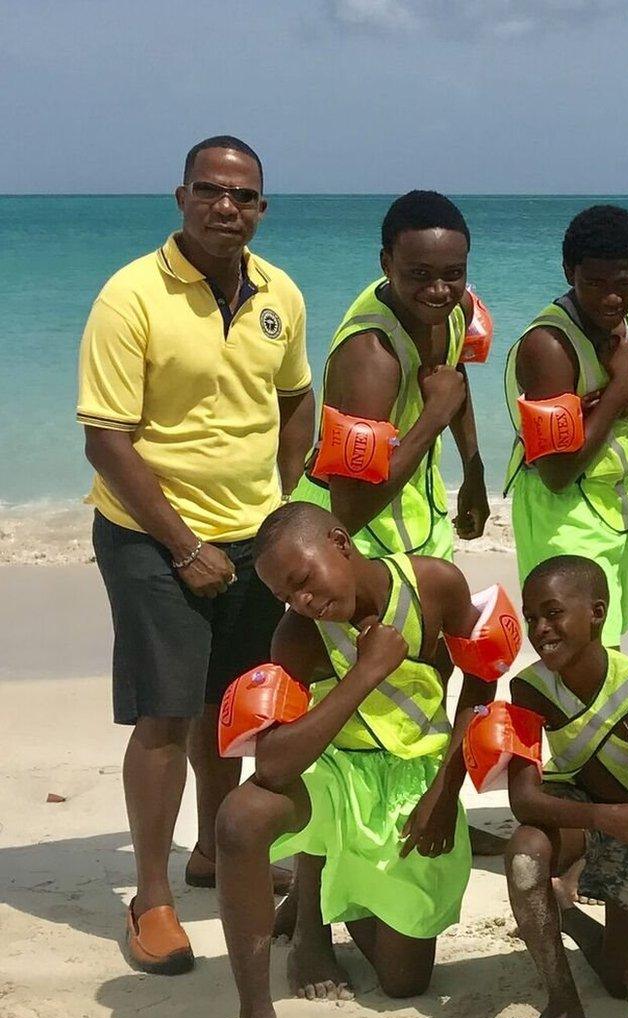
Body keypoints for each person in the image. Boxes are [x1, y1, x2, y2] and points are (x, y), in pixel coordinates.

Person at [78, 135, 314, 974]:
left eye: (244, 196)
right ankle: (152, 897)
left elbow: (295, 401)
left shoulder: (278, 291)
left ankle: (217, 855)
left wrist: (282, 513)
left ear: (262, 207)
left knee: (235, 712)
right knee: (166, 716)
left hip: (253, 539)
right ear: (180, 196)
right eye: (211, 191)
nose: (227, 207)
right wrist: (183, 547)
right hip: (151, 537)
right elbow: (106, 439)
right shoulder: (130, 296)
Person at [207, 502, 491, 1018]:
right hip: (337, 774)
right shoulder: (299, 635)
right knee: (240, 817)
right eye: (287, 595)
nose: (301, 601)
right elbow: (275, 765)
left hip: (416, 781)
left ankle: (322, 895)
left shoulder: (435, 584)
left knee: (404, 982)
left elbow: (483, 680)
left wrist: (447, 791)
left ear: (340, 541)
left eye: (304, 580)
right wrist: (365, 671)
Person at [499, 555, 628, 1018]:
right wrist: (602, 819)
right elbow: (524, 798)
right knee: (524, 852)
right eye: (532, 617)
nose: (541, 629)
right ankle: (561, 1003)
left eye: (553, 613)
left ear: (597, 612)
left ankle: (568, 915)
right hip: (585, 813)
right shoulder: (528, 689)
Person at [503, 205, 628, 647]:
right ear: (569, 272)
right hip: (561, 515)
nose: (611, 299)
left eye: (625, 285)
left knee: (608, 647)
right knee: (579, 649)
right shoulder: (547, 346)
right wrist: (622, 386)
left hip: (625, 509)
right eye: (594, 284)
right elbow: (558, 474)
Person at [292, 189, 489, 560]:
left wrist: (474, 471)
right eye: (420, 274)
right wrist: (434, 417)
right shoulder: (369, 357)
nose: (438, 290)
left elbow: (453, 375)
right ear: (386, 263)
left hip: (419, 519)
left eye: (454, 273)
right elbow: (349, 509)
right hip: (351, 541)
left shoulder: (457, 308)